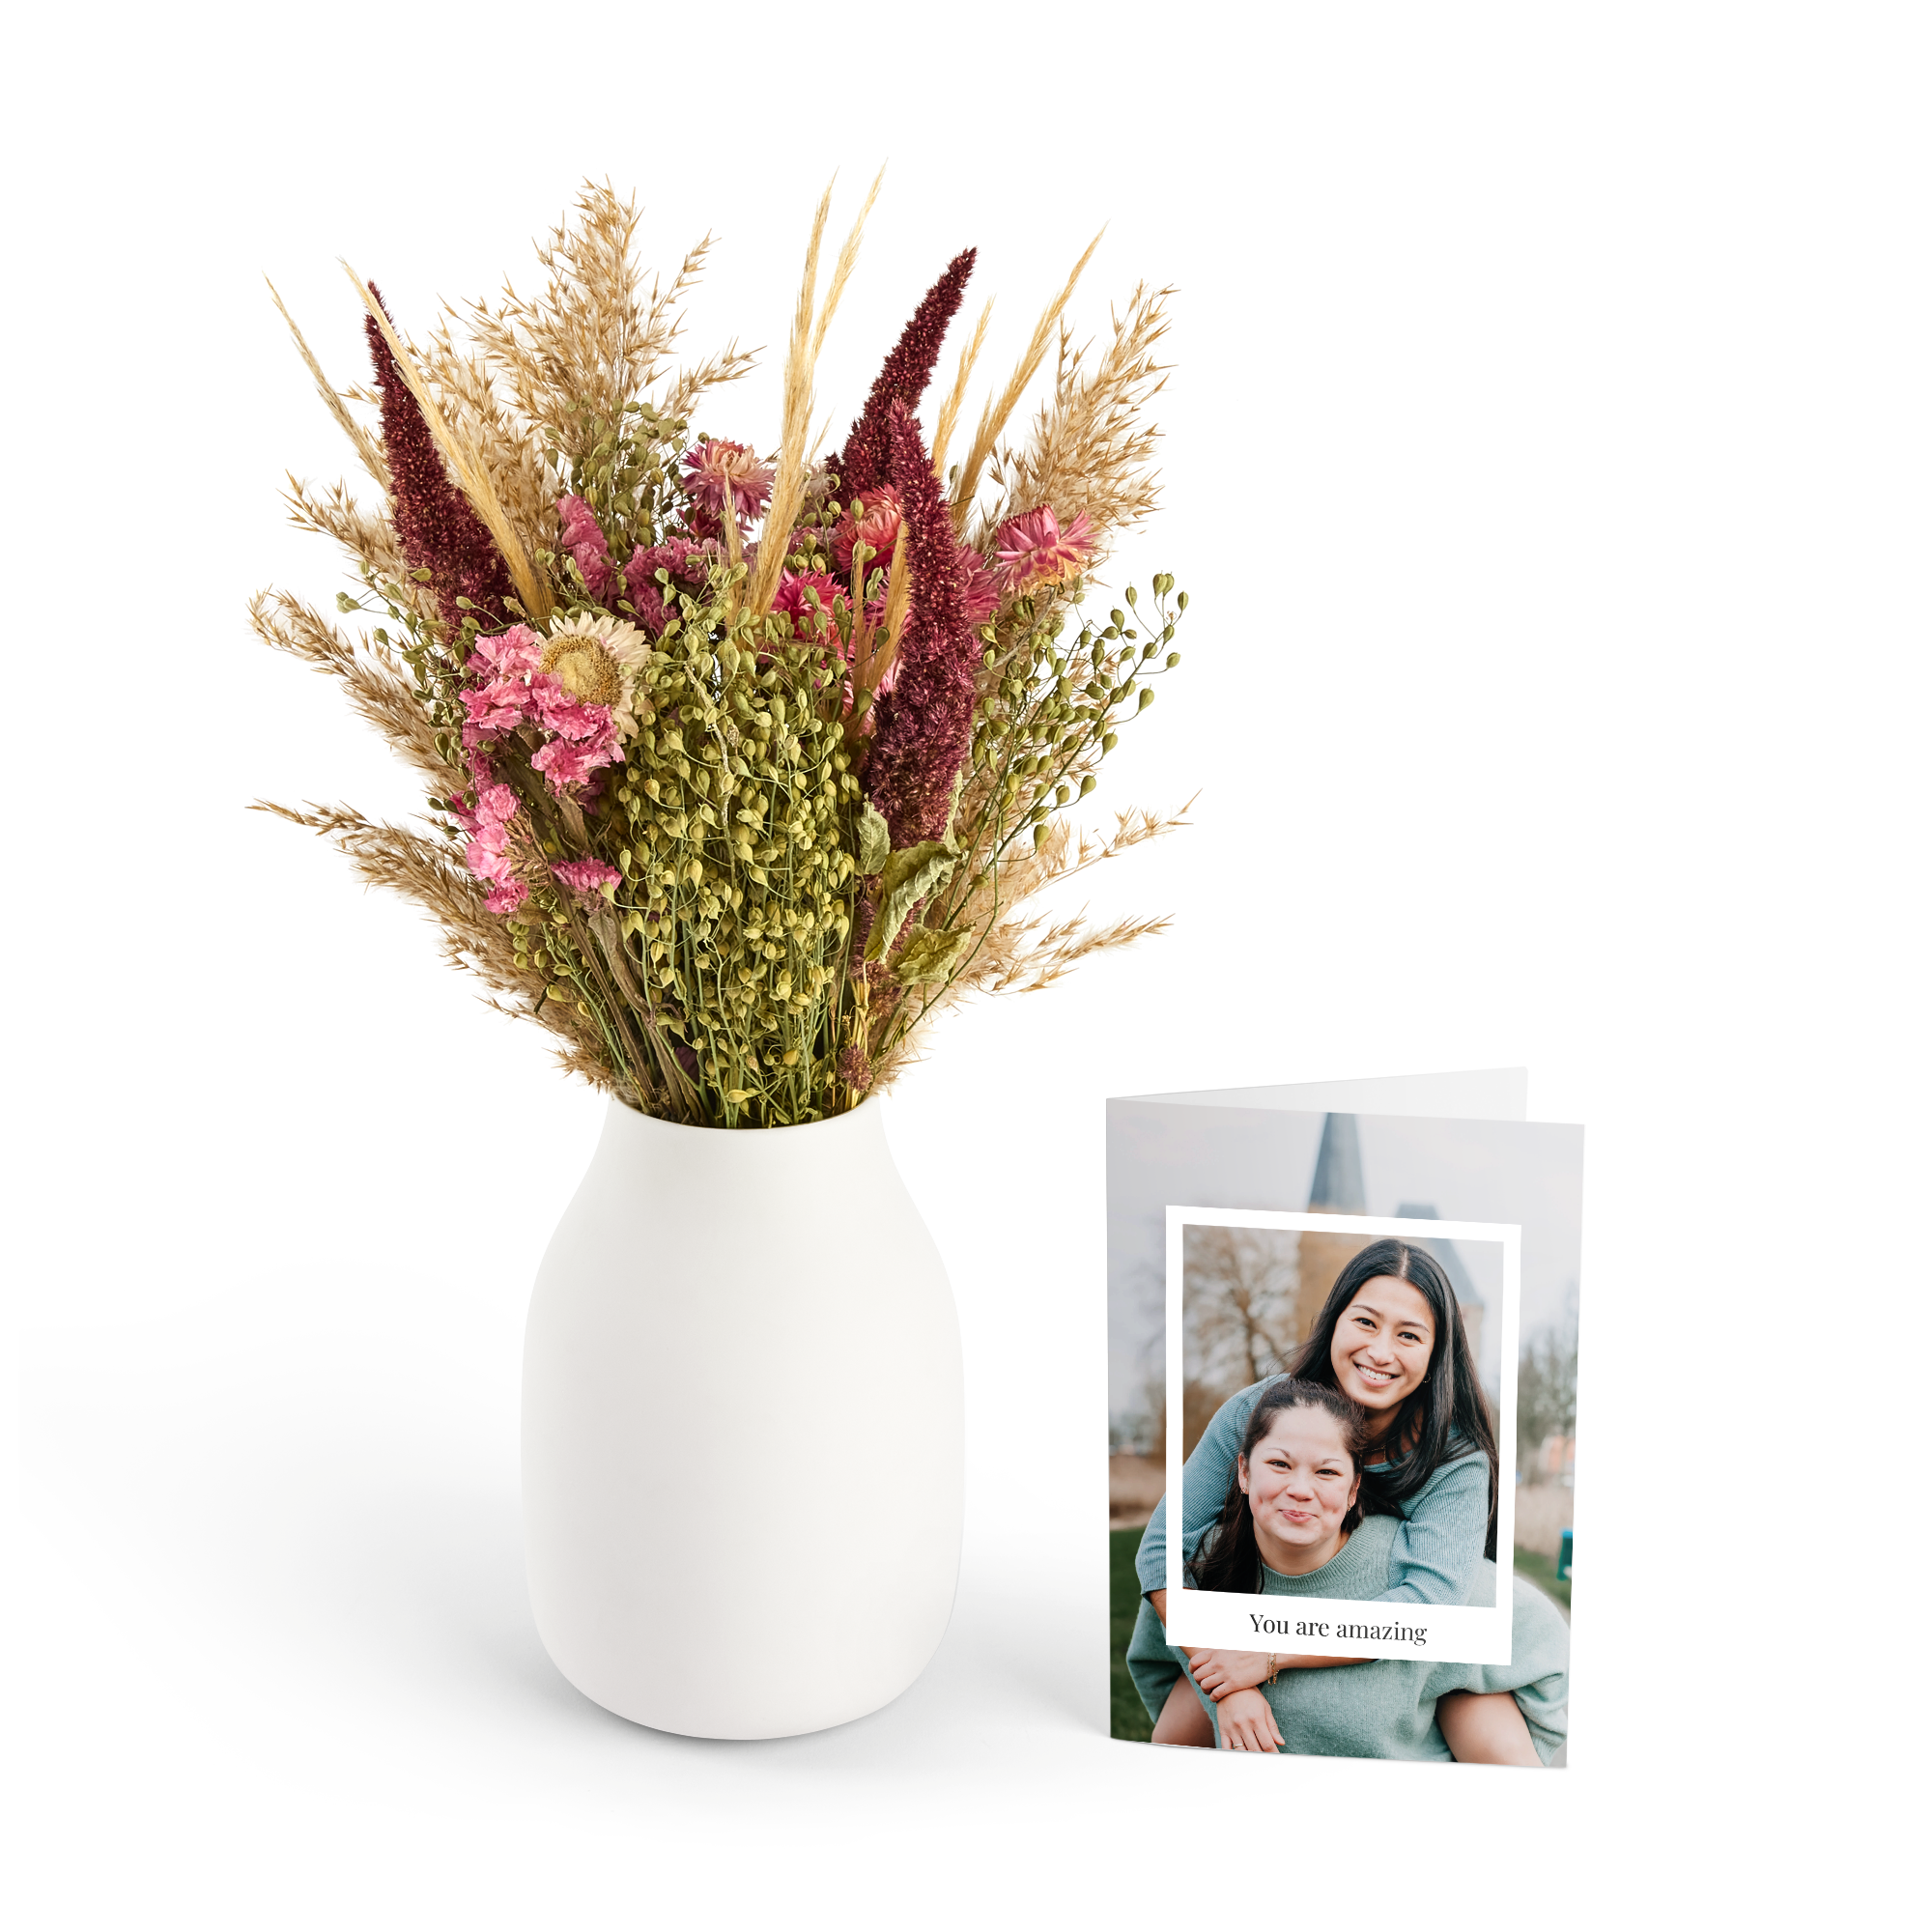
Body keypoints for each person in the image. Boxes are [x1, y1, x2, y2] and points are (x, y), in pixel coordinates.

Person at [1132, 1237, 1502, 1747]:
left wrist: (1269, 1652)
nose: (1380, 1351)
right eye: (1365, 1322)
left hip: (1391, 1641)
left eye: (1409, 1335)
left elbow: (1429, 1604)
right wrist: (1226, 1684)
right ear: (1334, 1320)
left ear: (1437, 1354)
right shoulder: (1255, 1412)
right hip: (1257, 1602)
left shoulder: (1453, 1459)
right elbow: (1159, 1551)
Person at [1125, 1377, 1567, 1764]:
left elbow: (1532, 1629)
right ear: (1242, 1471)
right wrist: (1227, 1689)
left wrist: (1273, 1652)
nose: (1300, 1490)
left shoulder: (1416, 1571)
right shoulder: (1206, 1570)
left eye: (1327, 1472)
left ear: (1355, 1489)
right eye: (1279, 1464)